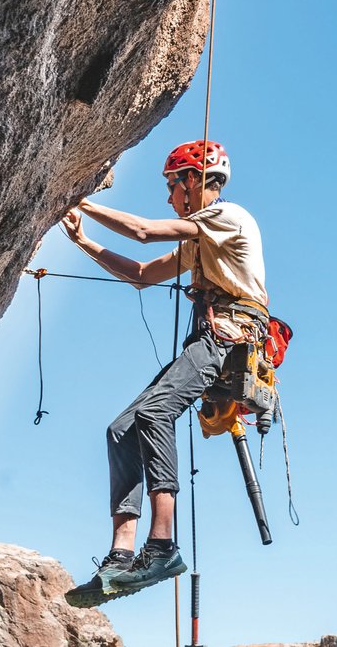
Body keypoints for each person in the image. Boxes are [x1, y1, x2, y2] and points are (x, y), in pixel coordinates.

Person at [57, 139, 269, 607]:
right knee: (121, 429)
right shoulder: (199, 236)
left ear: (193, 181)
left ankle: (162, 545)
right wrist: (83, 241)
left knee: (154, 413)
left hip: (229, 336)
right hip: (211, 338)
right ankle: (120, 554)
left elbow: (143, 232)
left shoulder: (226, 218)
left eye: (172, 185)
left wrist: (78, 200)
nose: (169, 195)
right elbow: (140, 272)